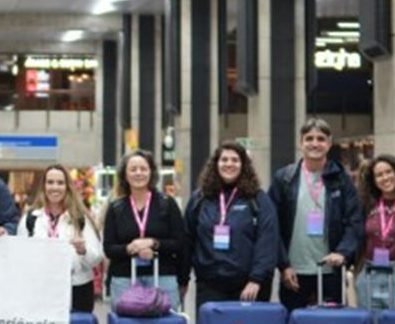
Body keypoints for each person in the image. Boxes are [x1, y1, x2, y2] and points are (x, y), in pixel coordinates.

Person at [268, 118, 364, 310]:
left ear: (329, 143)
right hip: (293, 273)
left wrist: (343, 253)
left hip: (330, 271)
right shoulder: (284, 179)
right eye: (309, 138)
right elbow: (272, 226)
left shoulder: (341, 179)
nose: (314, 143)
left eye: (320, 139)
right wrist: (283, 265)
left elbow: (355, 220)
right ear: (300, 142)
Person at [184, 142, 279, 310]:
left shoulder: (257, 199)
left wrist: (256, 279)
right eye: (224, 159)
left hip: (248, 286)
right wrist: (183, 279)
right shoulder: (200, 199)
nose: (229, 164)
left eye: (235, 160)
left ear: (243, 165)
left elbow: (267, 241)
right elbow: (187, 239)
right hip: (209, 286)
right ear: (216, 164)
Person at [102, 149, 187, 310]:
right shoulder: (116, 208)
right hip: (125, 278)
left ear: (151, 172)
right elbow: (108, 248)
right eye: (133, 169)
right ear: (125, 175)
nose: (138, 173)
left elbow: (179, 243)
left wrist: (154, 243)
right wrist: (130, 248)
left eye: (143, 169)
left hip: (163, 275)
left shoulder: (167, 204)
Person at [19, 164, 104, 313]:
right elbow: (20, 257)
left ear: (67, 187)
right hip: (41, 290)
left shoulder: (80, 218)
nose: (55, 187)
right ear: (43, 186)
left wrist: (83, 250)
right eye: (50, 182)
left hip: (77, 288)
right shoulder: (30, 219)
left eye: (60, 183)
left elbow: (97, 258)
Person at [354, 154, 395, 310]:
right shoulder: (367, 203)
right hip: (370, 272)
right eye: (379, 175)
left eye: (389, 172)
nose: (385, 178)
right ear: (374, 180)